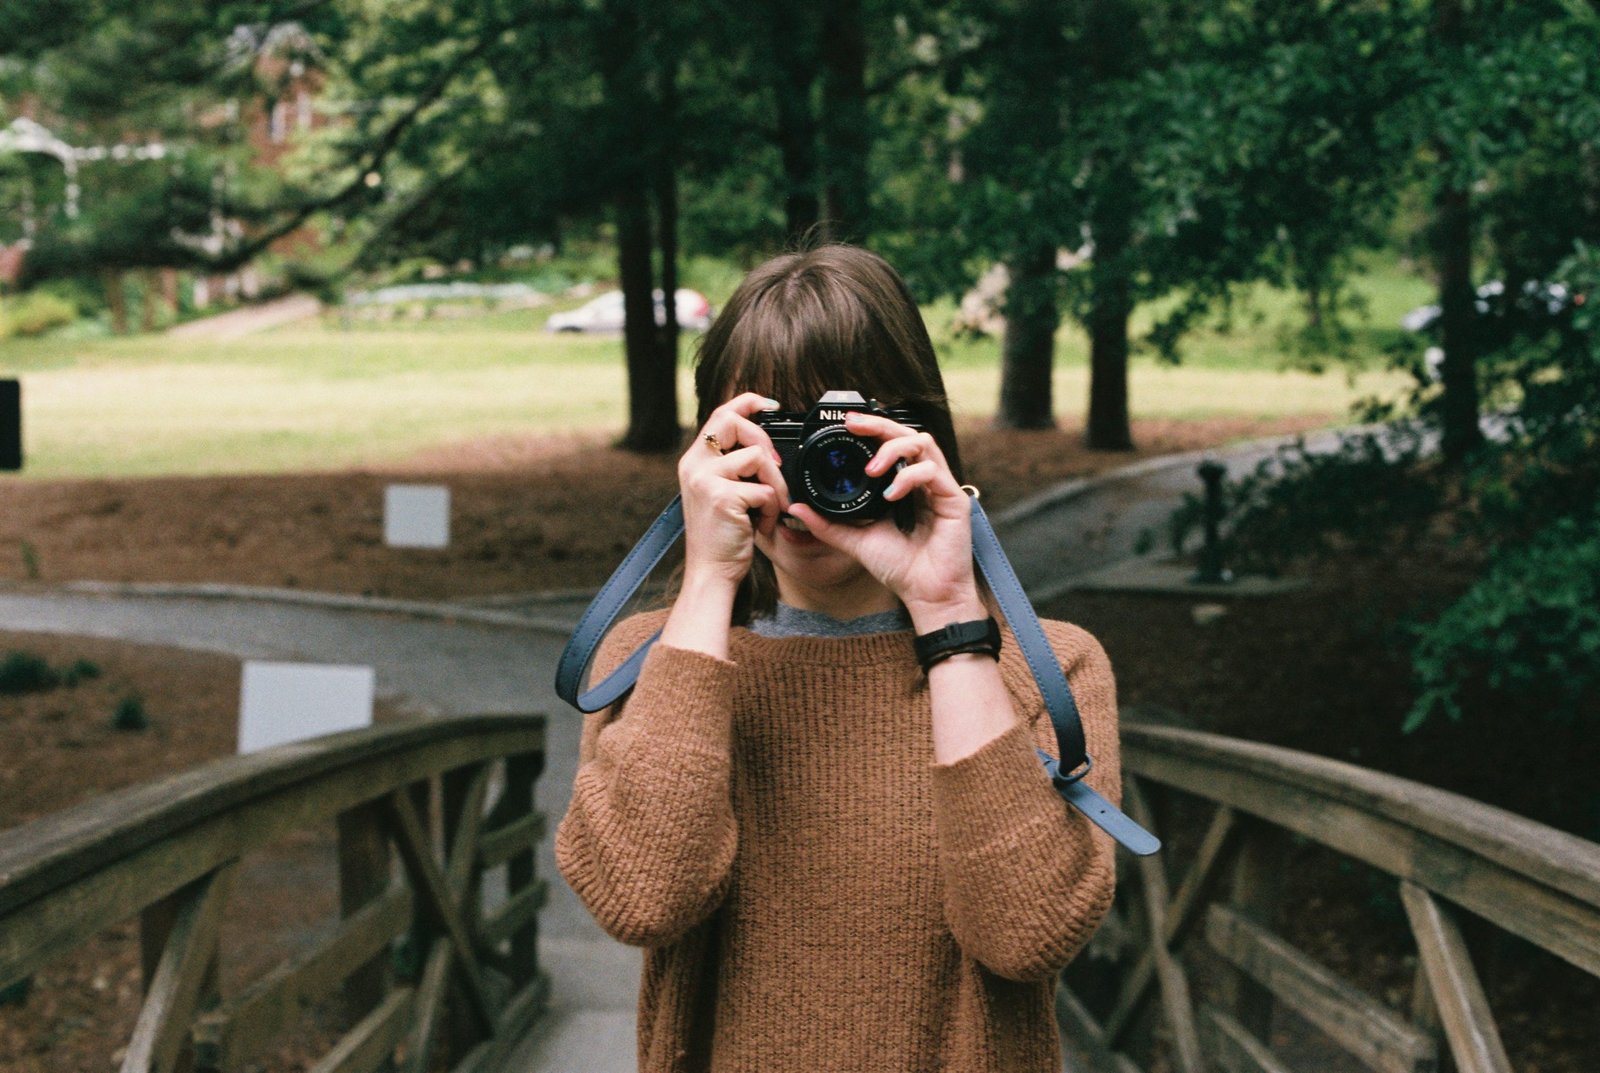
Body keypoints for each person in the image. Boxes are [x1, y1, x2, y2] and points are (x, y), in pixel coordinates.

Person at [555, 243, 1121, 1072]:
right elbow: (643, 896)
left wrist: (947, 609)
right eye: (772, 433)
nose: (805, 474)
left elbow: (1025, 935)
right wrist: (710, 576)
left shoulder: (1047, 670)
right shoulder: (650, 660)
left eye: (837, 437)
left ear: (915, 435)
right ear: (710, 447)